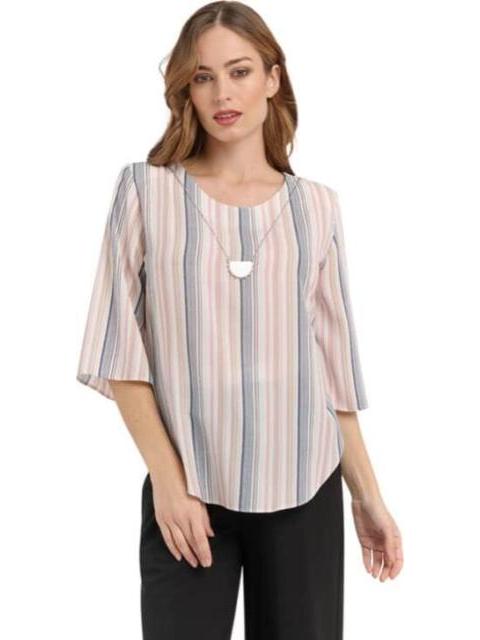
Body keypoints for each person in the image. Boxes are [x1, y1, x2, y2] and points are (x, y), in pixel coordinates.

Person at [76, 1, 403, 638]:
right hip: (190, 489)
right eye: (203, 77)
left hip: (306, 484)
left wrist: (367, 496)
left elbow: (331, 369)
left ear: (273, 79)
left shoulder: (316, 208)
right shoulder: (146, 191)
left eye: (240, 71)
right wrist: (168, 484)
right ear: (186, 89)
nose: (222, 93)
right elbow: (119, 351)